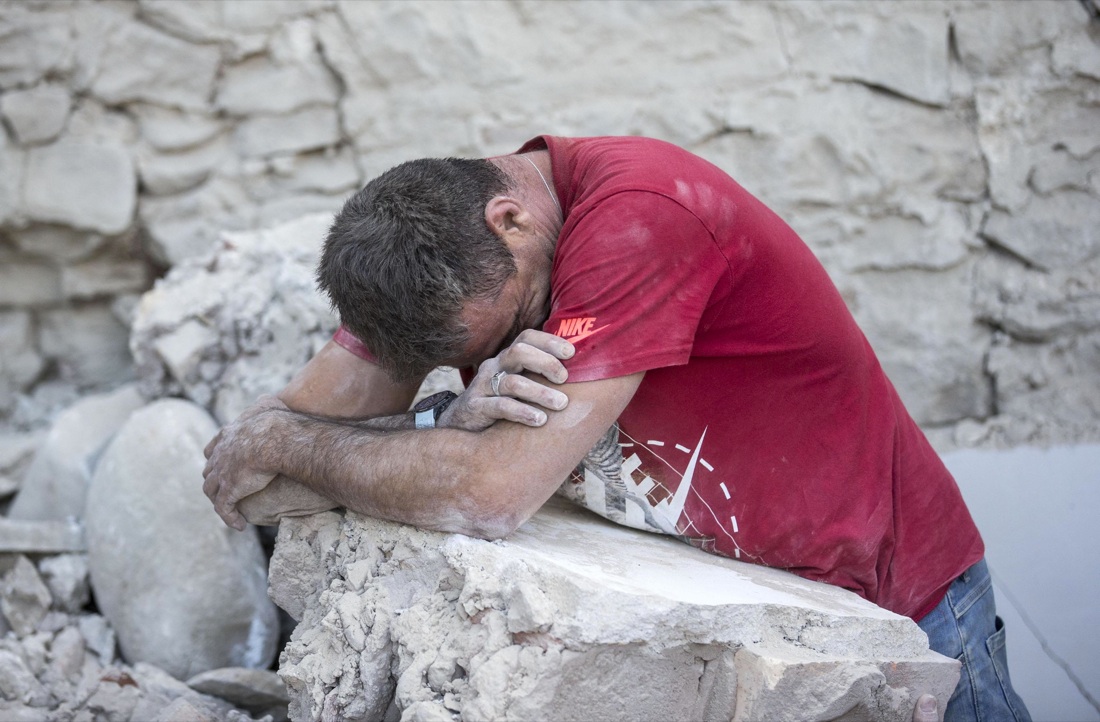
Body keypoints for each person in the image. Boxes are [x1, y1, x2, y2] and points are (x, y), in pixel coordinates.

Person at [202, 136, 1030, 722]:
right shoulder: (425, 260)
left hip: (895, 601)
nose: (495, 355)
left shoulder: (643, 217)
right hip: (742, 606)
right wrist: (444, 418)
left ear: (511, 221)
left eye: (512, 323)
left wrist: (297, 444)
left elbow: (488, 492)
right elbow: (262, 475)